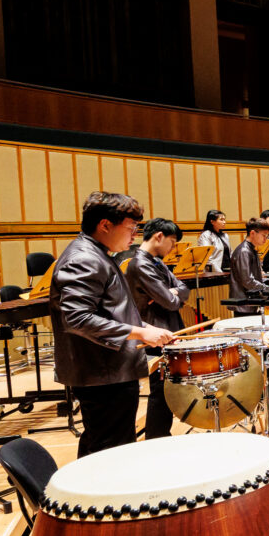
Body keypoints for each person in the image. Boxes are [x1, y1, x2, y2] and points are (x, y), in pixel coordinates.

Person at [52, 192, 174, 456]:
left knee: (102, 446)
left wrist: (145, 327)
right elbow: (77, 318)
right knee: (111, 452)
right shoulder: (84, 258)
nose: (134, 236)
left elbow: (108, 309)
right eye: (131, 228)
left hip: (107, 371)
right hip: (101, 374)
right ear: (105, 225)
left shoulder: (97, 254)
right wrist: (138, 332)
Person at [125, 218, 189, 441]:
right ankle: (156, 437)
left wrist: (174, 292)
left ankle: (161, 435)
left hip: (167, 331)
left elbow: (184, 288)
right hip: (155, 334)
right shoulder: (140, 265)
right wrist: (172, 295)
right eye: (172, 242)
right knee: (160, 391)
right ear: (159, 236)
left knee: (166, 389)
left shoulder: (157, 263)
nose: (173, 248)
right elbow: (171, 303)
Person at [229, 217, 269, 314]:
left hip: (251, 302)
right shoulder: (244, 251)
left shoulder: (251, 249)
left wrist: (267, 281)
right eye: (264, 235)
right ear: (252, 233)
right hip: (244, 304)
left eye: (267, 236)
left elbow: (252, 277)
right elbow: (248, 281)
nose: (266, 239)